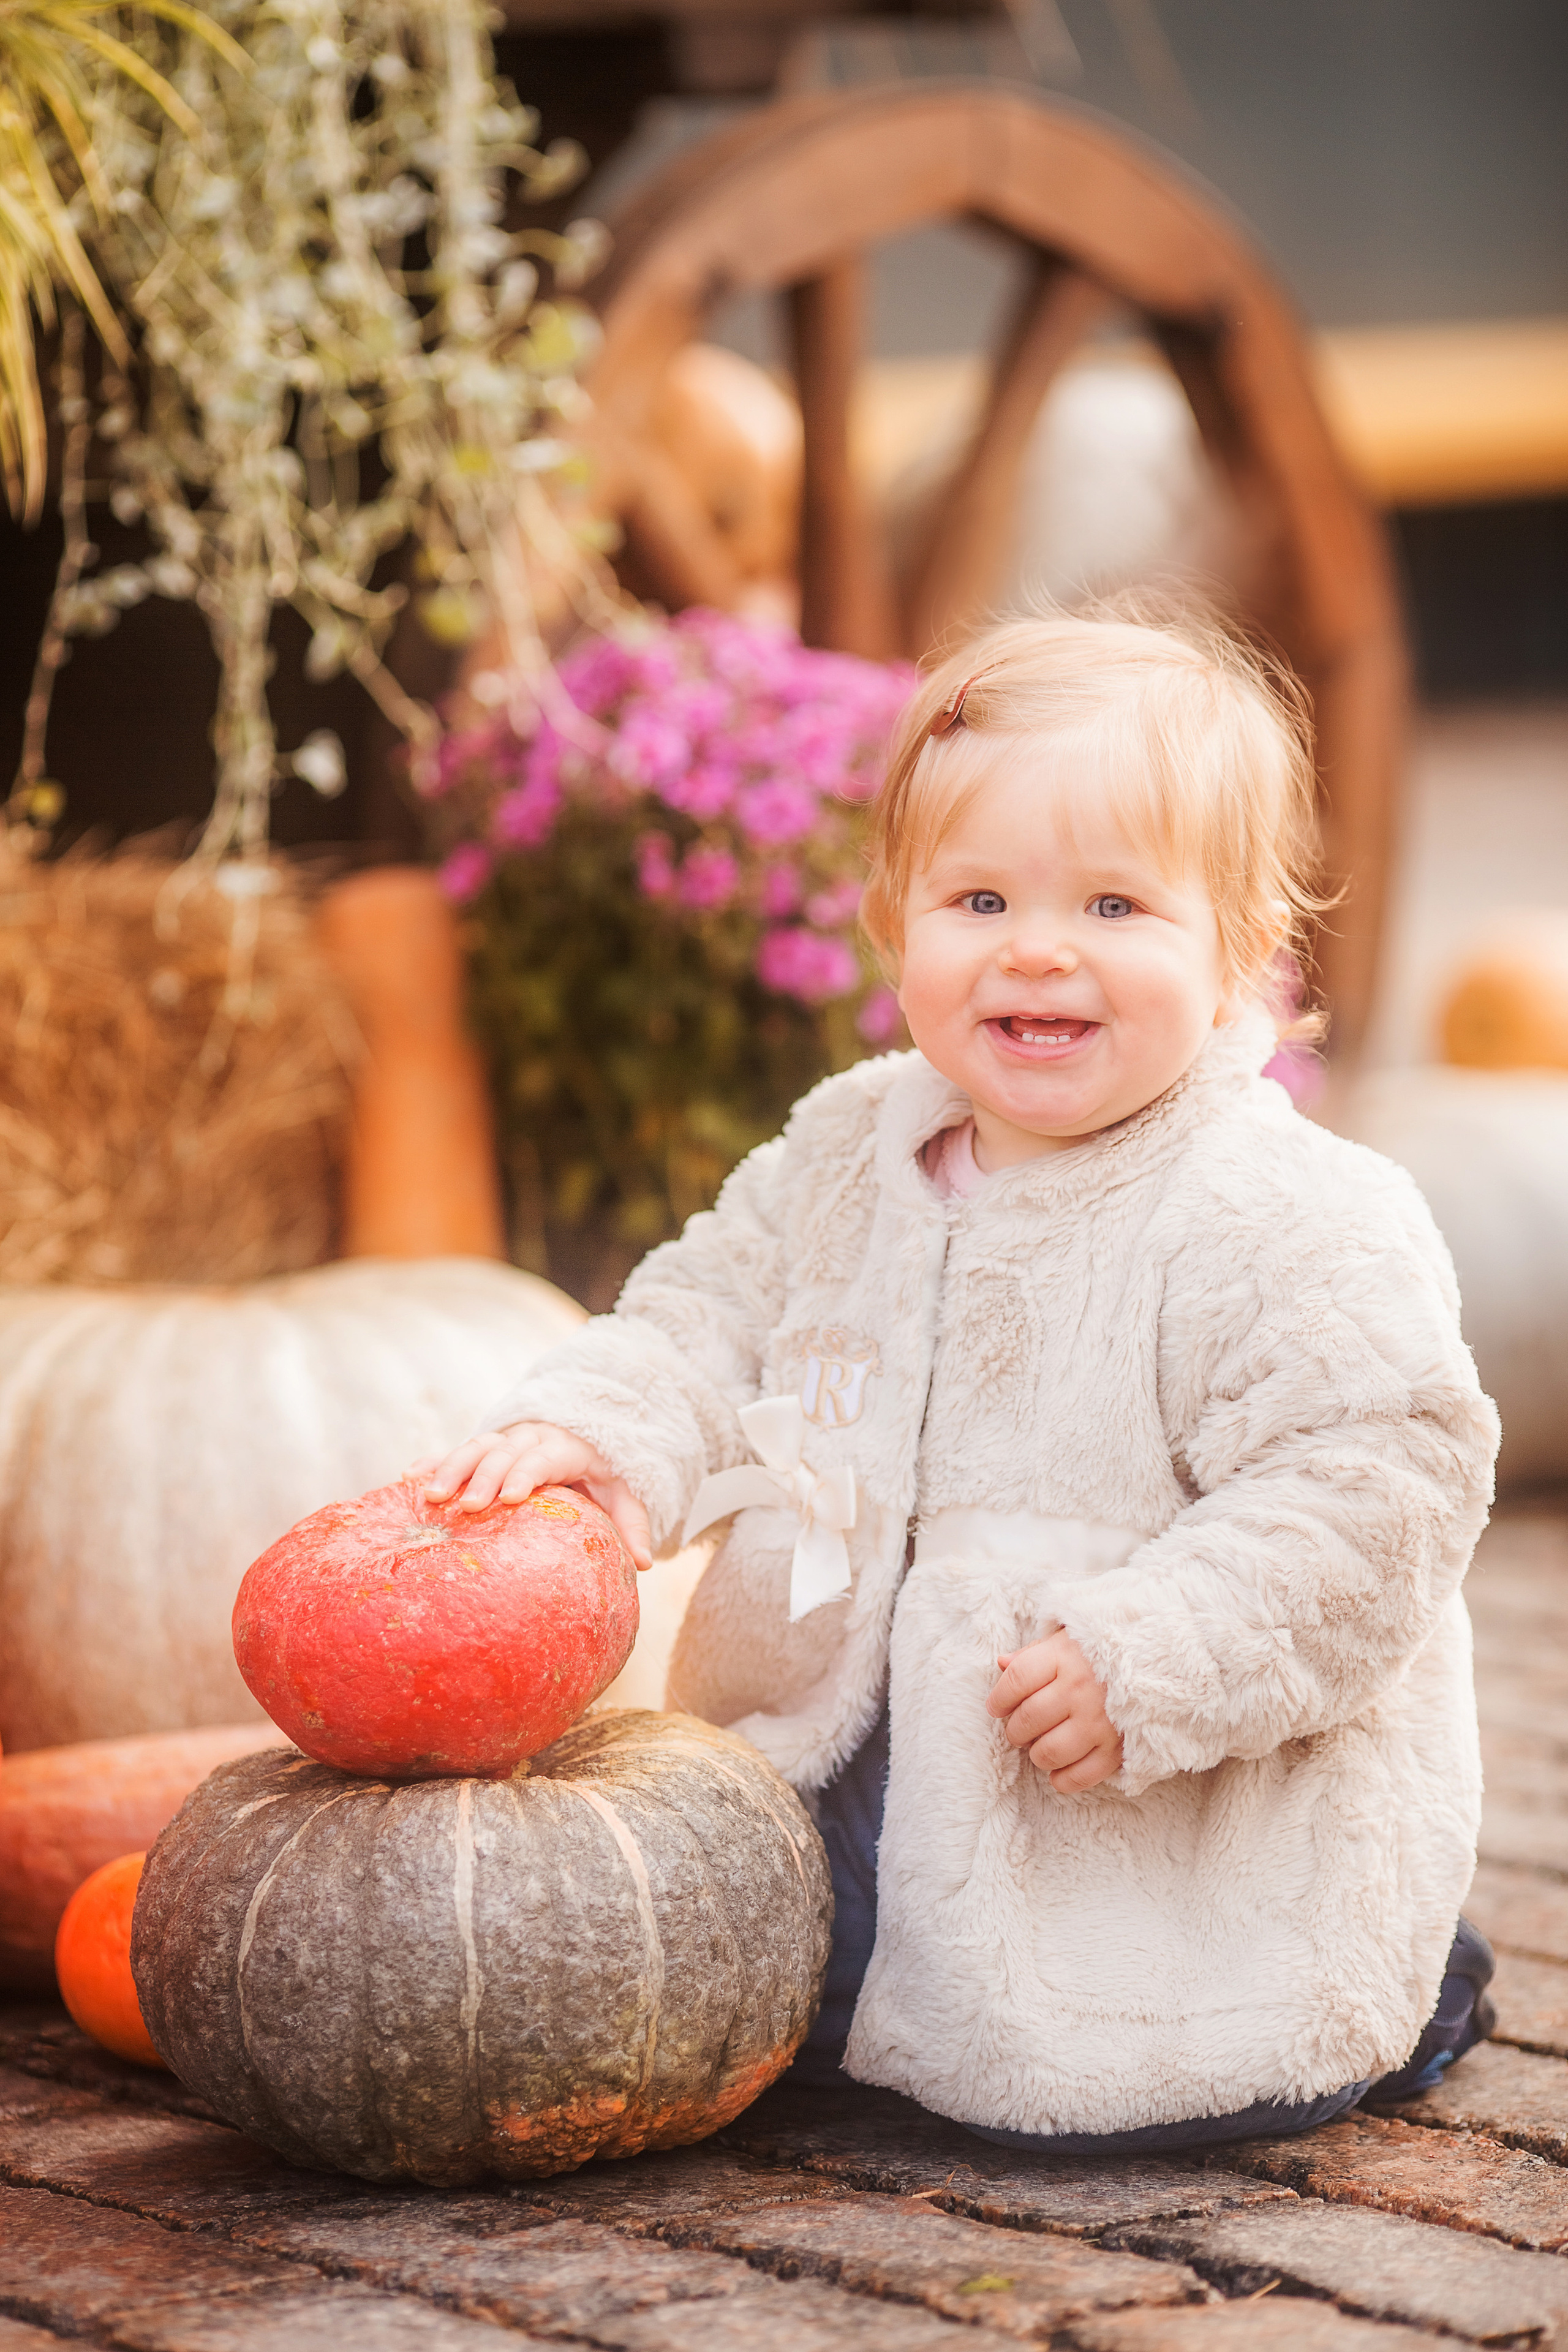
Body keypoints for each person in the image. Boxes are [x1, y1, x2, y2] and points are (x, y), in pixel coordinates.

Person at [418, 600, 1500, 2152]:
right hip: (829, 1764)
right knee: (696, 2001)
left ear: (1244, 958)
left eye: (1117, 906)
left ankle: (1395, 1971)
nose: (1037, 948)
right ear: (891, 923)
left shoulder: (1278, 1213)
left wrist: (1157, 1656)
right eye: (979, 895)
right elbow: (706, 1314)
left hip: (1124, 1807)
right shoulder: (852, 1148)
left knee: (1137, 2087)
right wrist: (600, 1438)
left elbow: (1377, 1485)